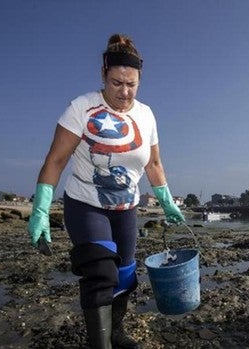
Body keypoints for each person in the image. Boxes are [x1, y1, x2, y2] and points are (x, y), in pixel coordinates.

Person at [27, 33, 185, 349]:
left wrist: (167, 202)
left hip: (126, 209)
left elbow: (153, 163)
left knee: (125, 277)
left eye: (131, 84)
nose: (124, 92)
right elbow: (56, 160)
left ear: (140, 80)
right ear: (103, 74)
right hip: (86, 204)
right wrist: (41, 210)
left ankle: (116, 332)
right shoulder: (81, 108)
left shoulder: (146, 114)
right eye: (116, 83)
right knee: (101, 272)